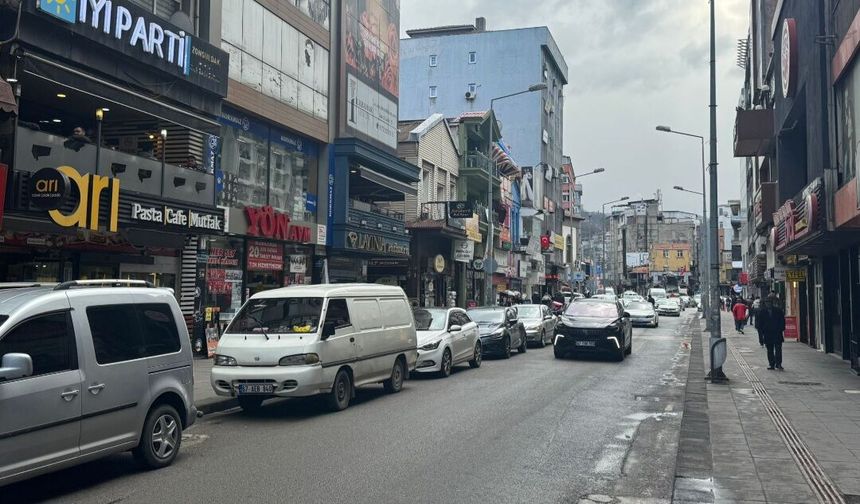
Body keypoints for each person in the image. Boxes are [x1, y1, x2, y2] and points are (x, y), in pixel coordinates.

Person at [756, 294, 785, 370]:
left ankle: (778, 364)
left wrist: (781, 329)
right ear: (765, 303)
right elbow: (760, 324)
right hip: (768, 334)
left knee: (778, 349)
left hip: (777, 333)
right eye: (766, 302)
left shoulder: (778, 311)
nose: (768, 304)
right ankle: (771, 364)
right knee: (770, 350)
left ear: (772, 303)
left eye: (769, 302)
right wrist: (761, 336)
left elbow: (782, 321)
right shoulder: (762, 312)